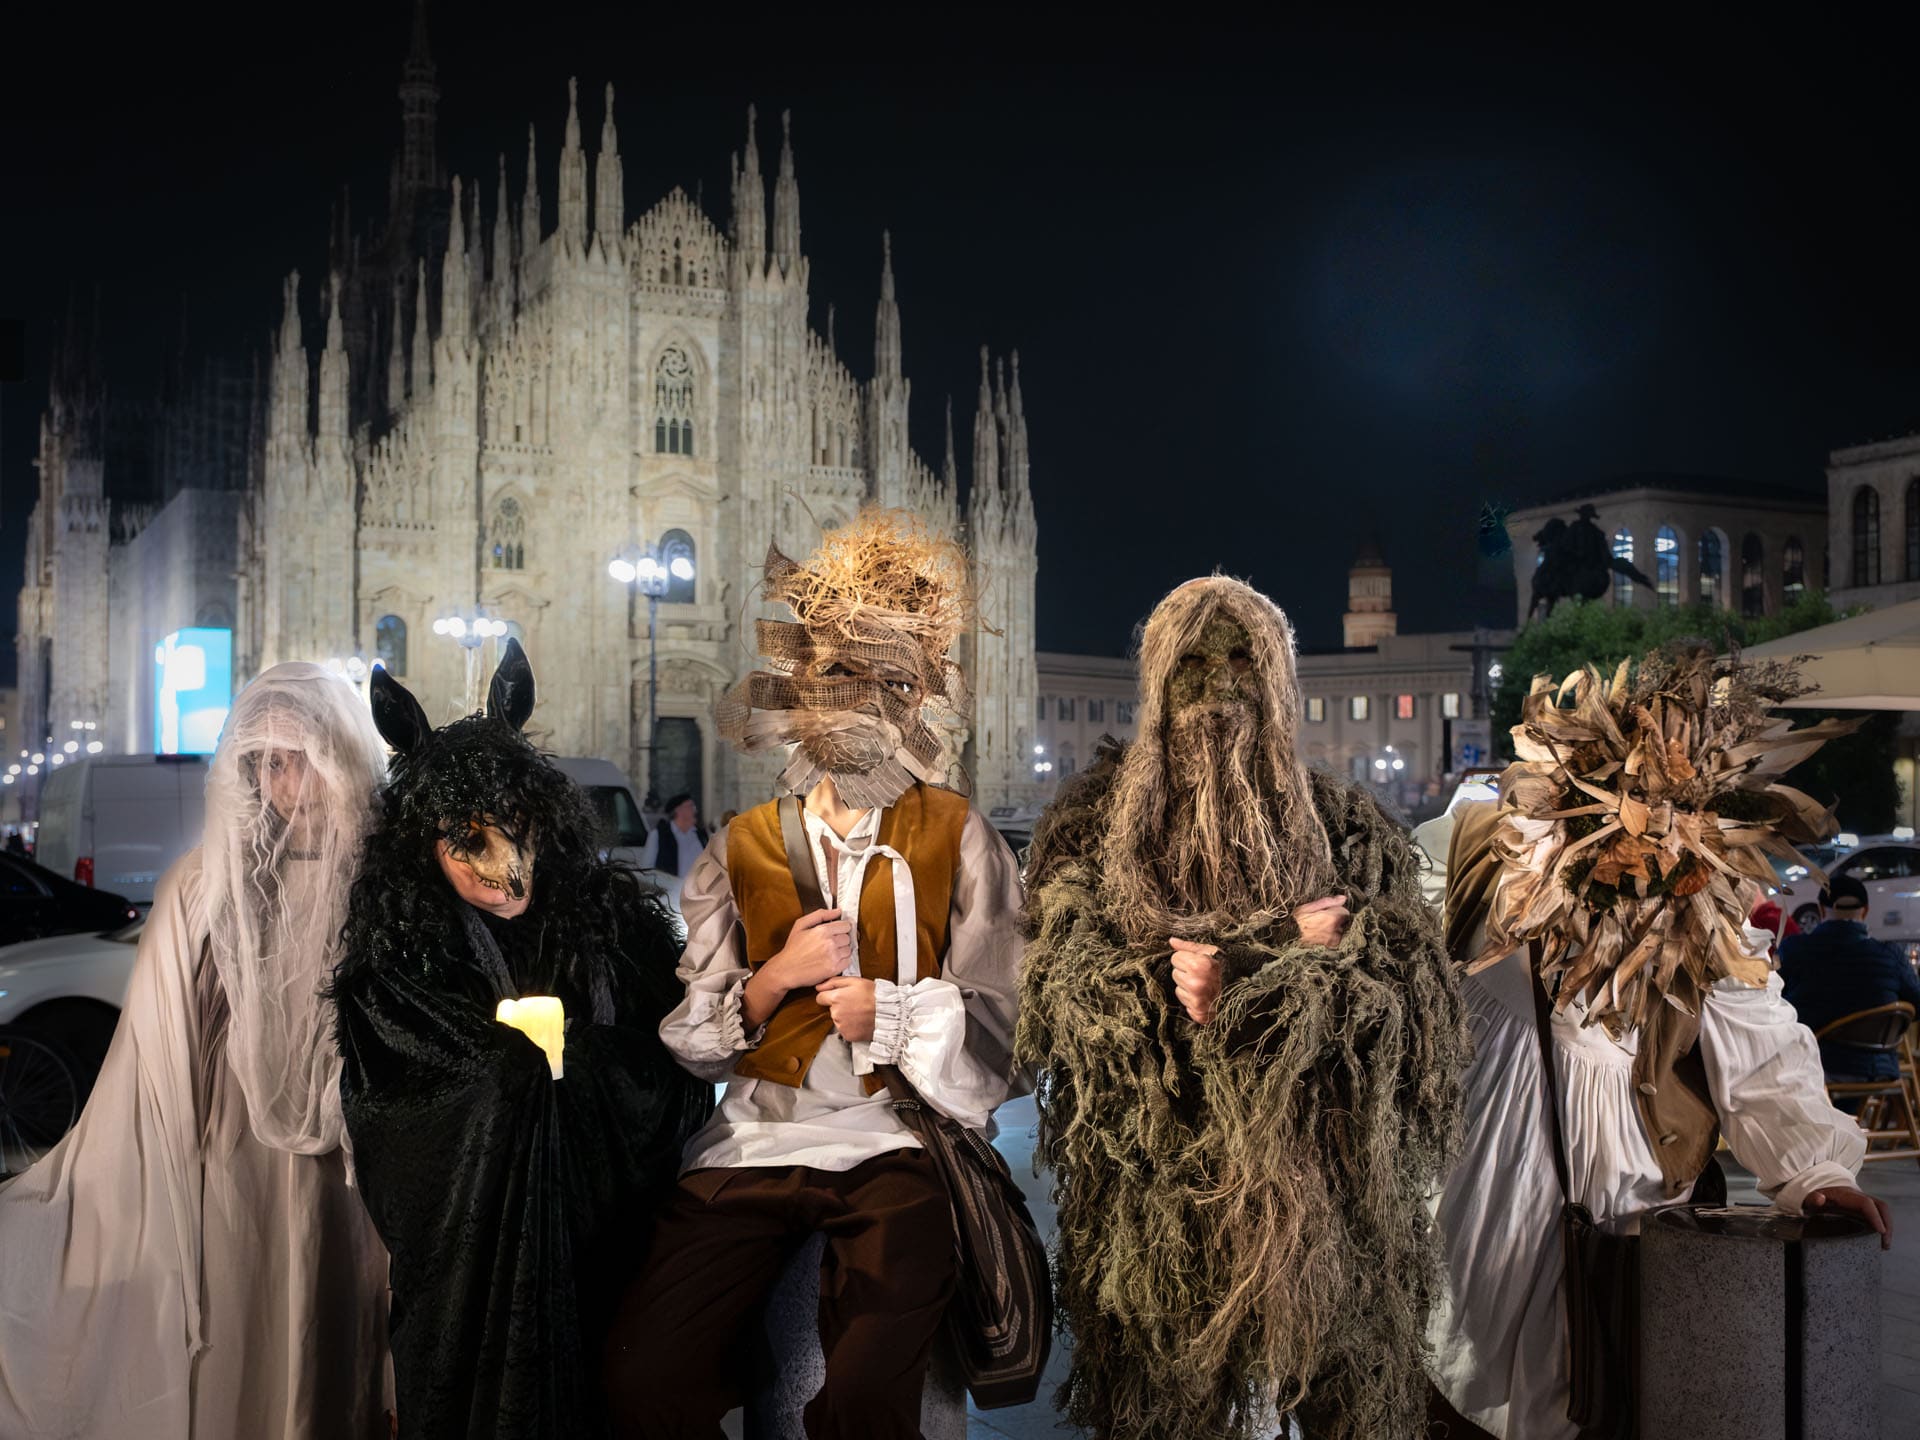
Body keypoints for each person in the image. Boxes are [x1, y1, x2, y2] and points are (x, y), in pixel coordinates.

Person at [1017, 574, 1471, 1440]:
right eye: (1193, 664)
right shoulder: (1096, 824)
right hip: (1157, 1201)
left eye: (1241, 662)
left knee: (1351, 1398)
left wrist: (1275, 980)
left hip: (1329, 1190)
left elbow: (1419, 1006)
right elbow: (1060, 986)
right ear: (1158, 678)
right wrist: (1173, 987)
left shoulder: (1345, 826)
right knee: (1167, 1409)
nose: (1221, 688)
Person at [604, 509, 1025, 1439]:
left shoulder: (960, 837)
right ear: (802, 686)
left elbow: (1008, 1026)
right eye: (840, 676)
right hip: (756, 1145)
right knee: (646, 1374)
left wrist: (898, 1011)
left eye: (891, 683)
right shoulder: (744, 844)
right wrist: (776, 976)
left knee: (870, 1386)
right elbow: (696, 1041)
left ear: (919, 698)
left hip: (894, 1144)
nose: (865, 705)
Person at [1429, 651, 1886, 1440]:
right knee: (1446, 1373)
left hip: (1618, 1205)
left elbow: (1761, 1045)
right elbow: (1375, 933)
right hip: (1459, 1193)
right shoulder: (1477, 848)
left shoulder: (1706, 907)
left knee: (1584, 1384)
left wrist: (1812, 1169)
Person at [332, 639, 713, 1440]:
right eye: (470, 842)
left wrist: (579, 1062)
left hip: (608, 1260)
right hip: (478, 1295)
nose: (507, 869)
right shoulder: (400, 962)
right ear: (424, 846)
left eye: (518, 831)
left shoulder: (613, 932)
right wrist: (514, 1072)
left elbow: (673, 1068)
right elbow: (400, 1113)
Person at [0, 663, 392, 1438]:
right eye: (267, 763)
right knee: (249, 1318)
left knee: (331, 1320)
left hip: (352, 1155)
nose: (286, 782)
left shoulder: (384, 883)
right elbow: (166, 1032)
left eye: (300, 756)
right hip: (236, 1144)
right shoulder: (207, 883)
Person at [1780, 874, 1920, 1084]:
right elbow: (1916, 1004)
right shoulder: (1890, 955)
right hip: (1877, 1071)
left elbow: (1778, 1002)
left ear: (1819, 909)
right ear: (1865, 911)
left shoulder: (1795, 949)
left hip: (1812, 1067)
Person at [639, 791, 708, 908]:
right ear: (679, 810)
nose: (695, 811)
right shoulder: (659, 836)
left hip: (699, 902)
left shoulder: (701, 836)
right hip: (671, 902)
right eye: (691, 806)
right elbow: (647, 869)